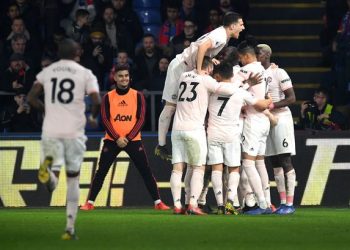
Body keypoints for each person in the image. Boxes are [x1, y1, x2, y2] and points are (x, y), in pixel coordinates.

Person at [27, 38, 101, 240]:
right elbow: (96, 99)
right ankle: (69, 228)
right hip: (73, 132)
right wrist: (93, 117)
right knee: (73, 179)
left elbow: (31, 98)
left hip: (51, 130)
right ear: (77, 52)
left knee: (53, 180)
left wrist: (47, 109)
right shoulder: (85, 73)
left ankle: (48, 174)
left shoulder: (47, 72)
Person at [170, 56, 261, 215]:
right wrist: (246, 86)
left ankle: (179, 205)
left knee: (179, 169)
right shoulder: (209, 83)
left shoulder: (184, 76)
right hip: (207, 131)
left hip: (181, 128)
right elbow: (226, 88)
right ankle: (199, 204)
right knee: (205, 168)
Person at [155, 11, 245, 161]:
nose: (242, 28)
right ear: (233, 25)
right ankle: (161, 145)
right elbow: (202, 47)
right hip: (180, 66)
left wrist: (210, 61)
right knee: (171, 106)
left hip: (187, 68)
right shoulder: (221, 35)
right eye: (241, 25)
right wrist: (199, 70)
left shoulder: (222, 35)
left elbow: (204, 51)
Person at [80, 64, 170, 211]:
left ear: (130, 78)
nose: (124, 79)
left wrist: (127, 138)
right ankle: (89, 203)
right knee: (101, 171)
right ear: (115, 78)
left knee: (145, 171)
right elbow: (105, 119)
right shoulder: (108, 97)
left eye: (126, 76)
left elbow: (141, 119)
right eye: (121, 76)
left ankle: (158, 203)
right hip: (112, 140)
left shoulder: (138, 95)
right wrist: (117, 138)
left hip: (132, 140)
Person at [207, 62, 272, 215]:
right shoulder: (240, 92)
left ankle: (221, 205)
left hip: (213, 132)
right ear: (231, 75)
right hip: (231, 134)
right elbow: (261, 105)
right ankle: (230, 202)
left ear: (217, 76)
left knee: (217, 168)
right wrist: (269, 100)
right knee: (234, 168)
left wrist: (247, 83)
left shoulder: (212, 89)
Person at [257, 44, 297, 214]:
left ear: (266, 55)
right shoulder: (258, 74)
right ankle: (281, 202)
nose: (255, 55)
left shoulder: (279, 72)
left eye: (258, 53)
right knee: (274, 162)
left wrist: (272, 105)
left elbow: (292, 98)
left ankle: (290, 203)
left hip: (281, 119)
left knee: (285, 160)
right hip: (266, 119)